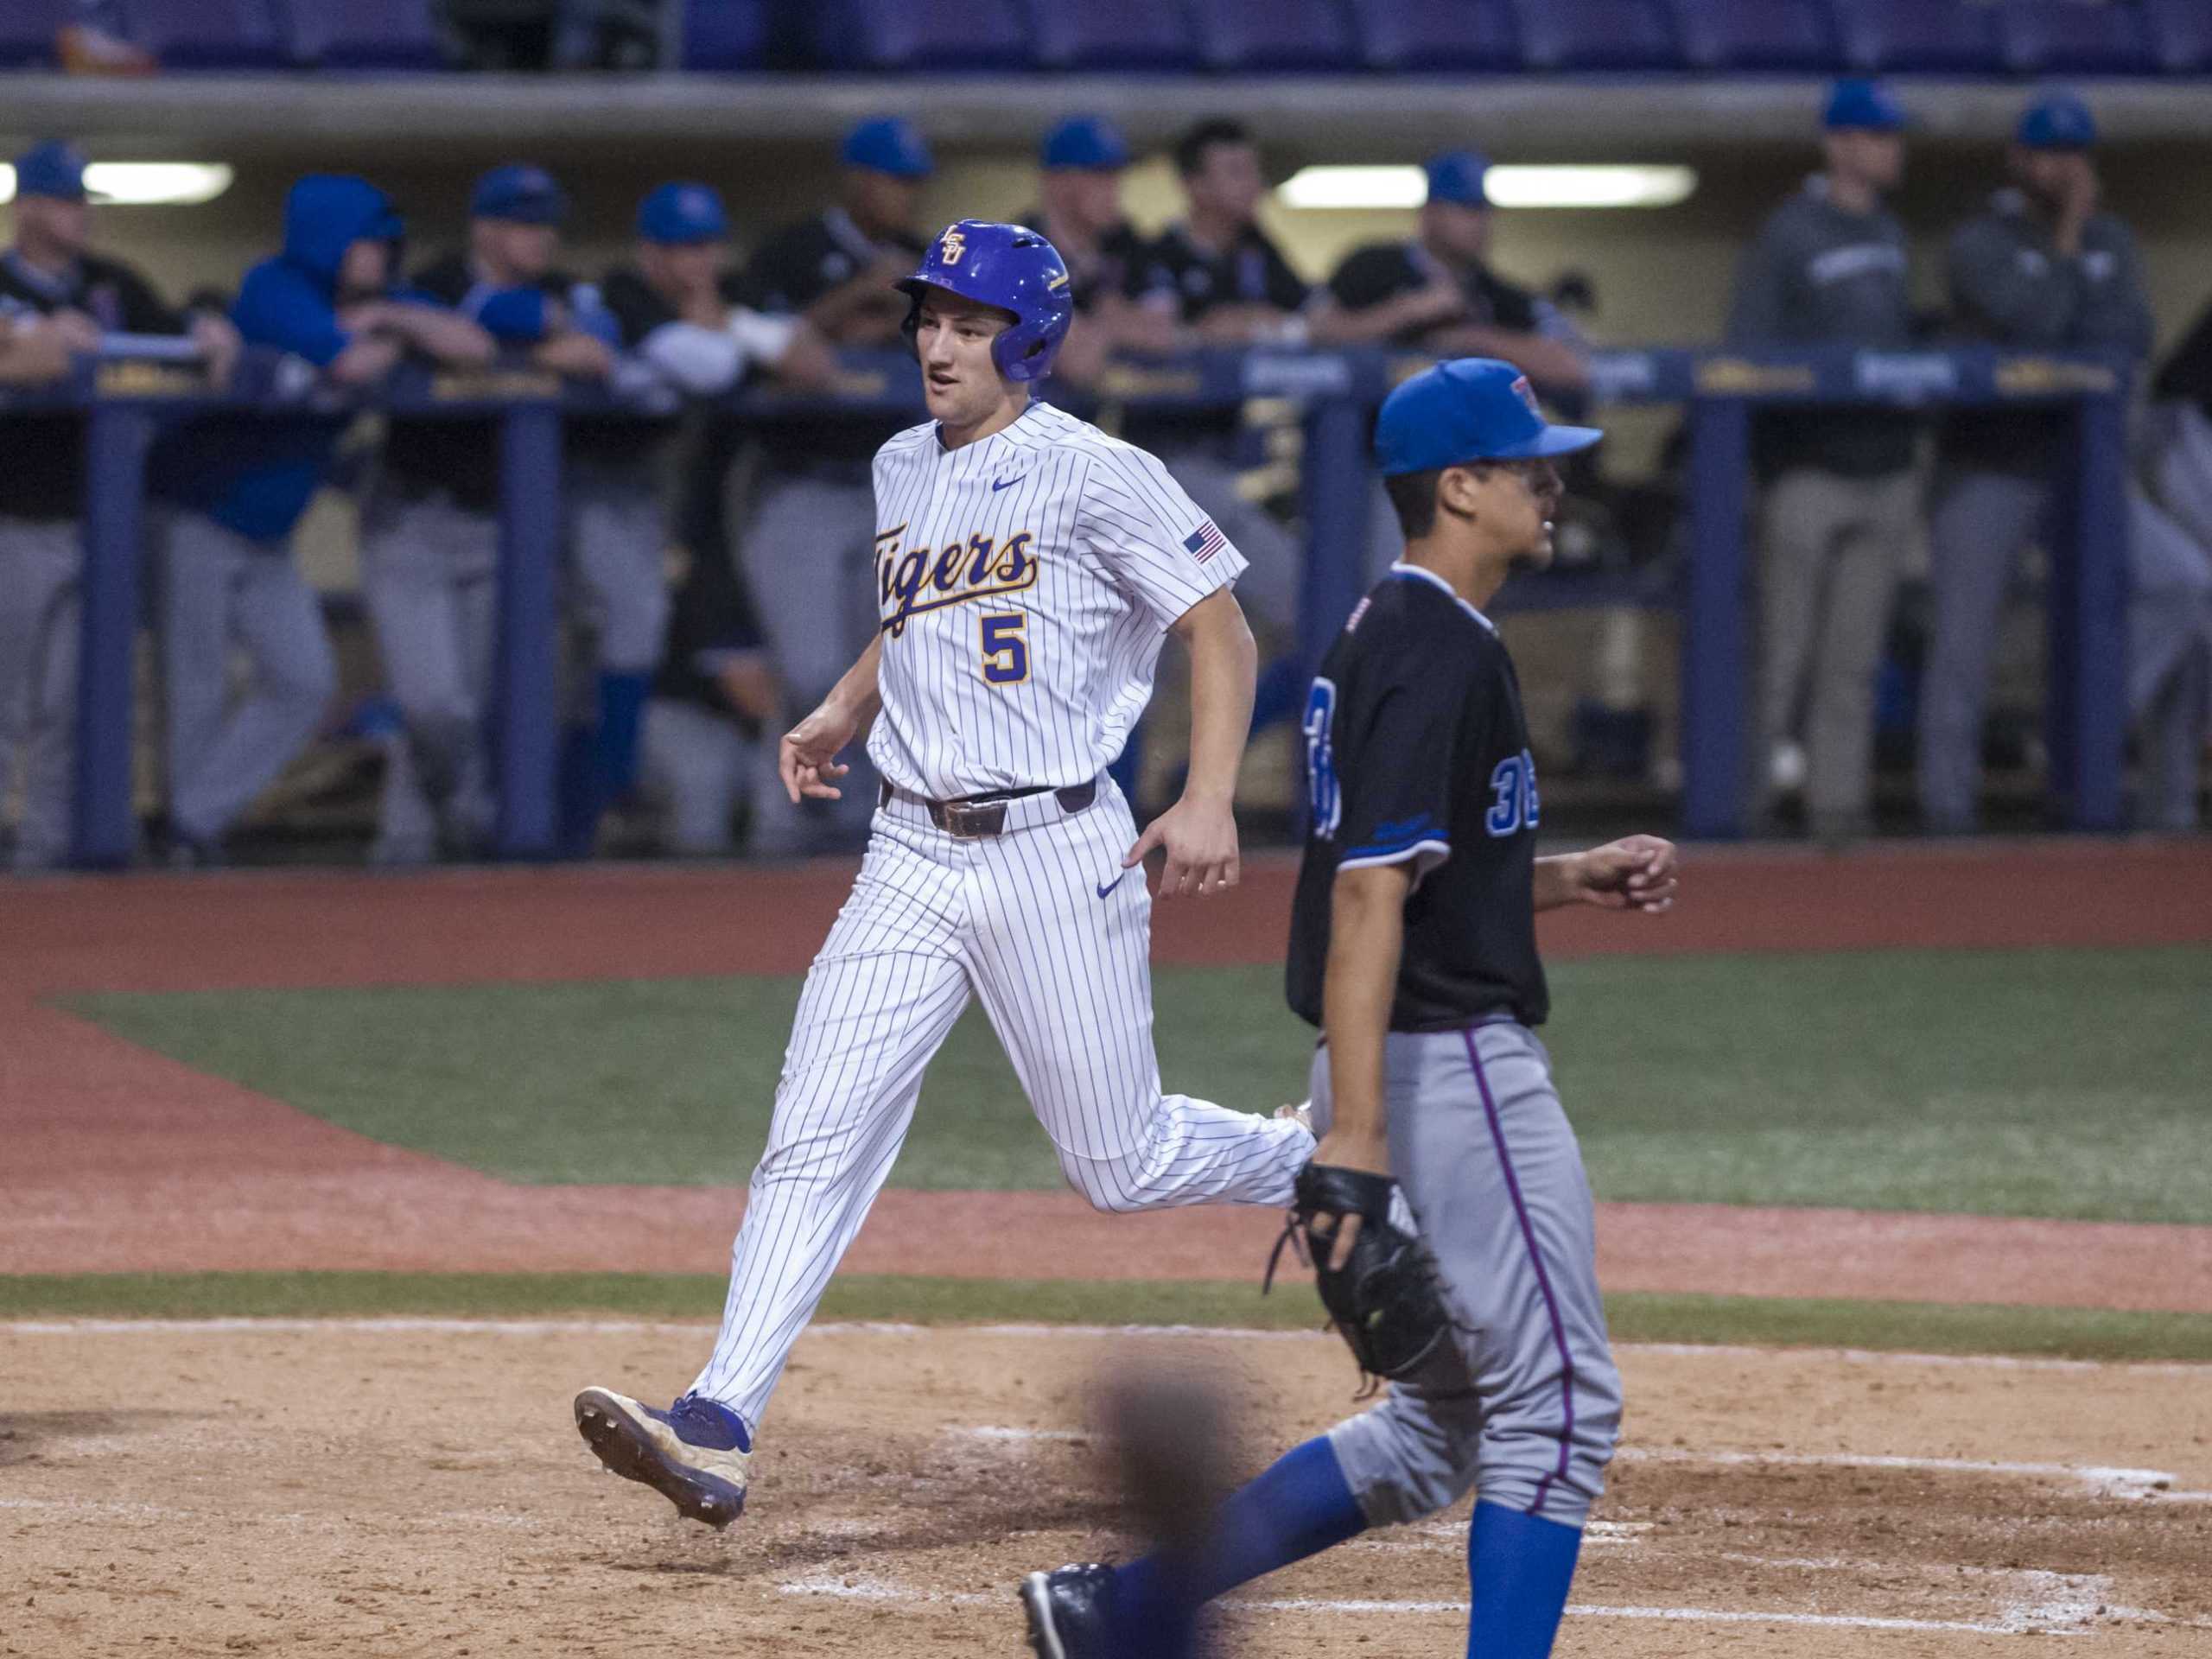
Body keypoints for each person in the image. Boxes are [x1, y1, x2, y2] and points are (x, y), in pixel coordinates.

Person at [573, 221, 1318, 1526]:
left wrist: (1204, 796)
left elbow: (1220, 625)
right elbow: (922, 612)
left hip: (1056, 851)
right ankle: (717, 1419)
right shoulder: (898, 461)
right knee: (813, 1137)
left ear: (1026, 340)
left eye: (969, 324)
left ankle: (1322, 1163)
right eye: (928, 317)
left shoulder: (1098, 473)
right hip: (907, 852)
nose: (936, 343)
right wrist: (846, 704)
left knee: (1121, 1164)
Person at [1020, 359, 1679, 1659]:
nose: (1554, 483)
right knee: (1557, 1407)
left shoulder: (1386, 632)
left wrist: (1558, 882)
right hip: (1444, 1073)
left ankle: (1126, 1613)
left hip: (1390, 1062)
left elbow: (1409, 879)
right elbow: (1369, 900)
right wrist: (1359, 1137)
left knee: (1442, 1427)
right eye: (1529, 463)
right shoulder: (1436, 645)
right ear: (1460, 485)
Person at [153, 176, 493, 866]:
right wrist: (390, 338)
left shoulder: (381, 303)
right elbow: (349, 361)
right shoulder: (273, 288)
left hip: (269, 533)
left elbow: (473, 345)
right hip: (193, 511)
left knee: (305, 681)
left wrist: (394, 321)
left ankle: (189, 822)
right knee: (197, 685)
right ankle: (184, 845)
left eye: (383, 243)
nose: (379, 254)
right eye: (365, 242)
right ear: (327, 239)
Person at [364, 162, 615, 863]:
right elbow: (453, 340)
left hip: (502, 525)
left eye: (545, 224)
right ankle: (461, 814)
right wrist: (520, 344)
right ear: (486, 227)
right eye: (523, 224)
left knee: (472, 703)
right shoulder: (435, 280)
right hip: (413, 516)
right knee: (431, 704)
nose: (540, 239)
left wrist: (517, 342)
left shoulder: (560, 290)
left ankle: (410, 842)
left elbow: (595, 351)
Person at [1919, 93, 2155, 835]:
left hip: (2081, 467)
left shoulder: (2112, 237)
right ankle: (1947, 812)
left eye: (2076, 154)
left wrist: (2075, 255)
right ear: (2020, 160)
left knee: (2164, 595)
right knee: (1964, 641)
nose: (2063, 168)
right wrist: (2070, 236)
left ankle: (2095, 789)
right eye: (2049, 154)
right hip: (1988, 462)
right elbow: (2038, 323)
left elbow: (2129, 337)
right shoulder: (1981, 240)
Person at [0, 139, 236, 872]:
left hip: (98, 523)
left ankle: (42, 850)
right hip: (14, 519)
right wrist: (40, 347)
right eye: (65, 201)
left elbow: (182, 339)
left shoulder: (111, 284)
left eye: (84, 201)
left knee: (70, 703)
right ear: (29, 207)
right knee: (5, 699)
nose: (80, 216)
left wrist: (206, 325)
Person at [582, 181, 834, 853]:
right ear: (651, 254)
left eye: (706, 248)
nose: (697, 265)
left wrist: (731, 322)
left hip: (671, 494)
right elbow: (715, 369)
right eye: (680, 250)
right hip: (593, 488)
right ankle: (598, 815)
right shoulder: (622, 295)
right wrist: (739, 333)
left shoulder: (732, 297)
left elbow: (811, 362)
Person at [722, 115, 934, 855]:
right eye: (891, 181)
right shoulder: (793, 251)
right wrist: (852, 301)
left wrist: (889, 319)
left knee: (880, 679)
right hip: (796, 481)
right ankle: (778, 832)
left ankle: (855, 841)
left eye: (912, 183)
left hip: (890, 490)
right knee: (812, 669)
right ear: (857, 180)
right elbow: (752, 346)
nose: (903, 197)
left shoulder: (926, 257)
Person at [1727, 79, 1918, 844]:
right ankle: (1744, 811)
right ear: (1839, 143)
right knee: (1783, 651)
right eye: (1878, 136)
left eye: (1893, 136)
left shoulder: (1893, 235)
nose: (1891, 149)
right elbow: (1750, 353)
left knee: (1853, 662)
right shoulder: (1790, 233)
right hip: (1806, 469)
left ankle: (1836, 811)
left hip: (1885, 466)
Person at [1324, 148, 1597, 576]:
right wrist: (1412, 311)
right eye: (1466, 209)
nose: (1480, 222)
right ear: (1431, 212)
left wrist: (1473, 338)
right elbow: (1317, 330)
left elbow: (1574, 365)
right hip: (1365, 470)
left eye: (1484, 211)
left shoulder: (1494, 292)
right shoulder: (1375, 267)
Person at [1126, 118, 1315, 641]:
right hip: (1164, 475)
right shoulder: (1157, 255)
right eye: (1234, 171)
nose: (1252, 183)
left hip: (1229, 468)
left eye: (1252, 170)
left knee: (1300, 609)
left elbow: (1318, 320)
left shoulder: (1256, 250)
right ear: (1194, 185)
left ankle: (1253, 726)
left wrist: (1248, 325)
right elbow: (1168, 334)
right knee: (1303, 600)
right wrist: (1217, 330)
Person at [1022, 113, 1173, 383]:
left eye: (1116, 176)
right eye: (1100, 175)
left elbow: (1164, 334)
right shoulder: (1021, 252)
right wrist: (1117, 319)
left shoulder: (1126, 242)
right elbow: (1080, 365)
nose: (1114, 190)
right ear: (1058, 181)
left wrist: (1096, 326)